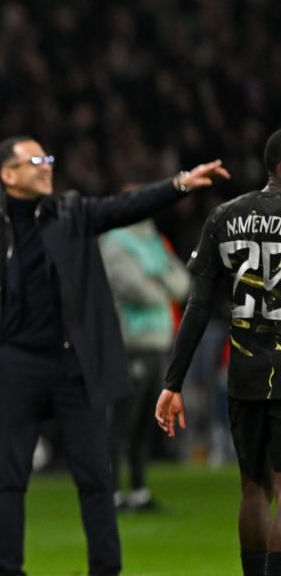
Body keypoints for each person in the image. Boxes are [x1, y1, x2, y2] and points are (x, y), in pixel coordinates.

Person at [0, 135, 228, 576]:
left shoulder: (71, 212)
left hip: (74, 363)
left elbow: (125, 207)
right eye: (35, 160)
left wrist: (179, 184)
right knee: (10, 475)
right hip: (16, 364)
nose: (46, 166)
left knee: (96, 472)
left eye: (48, 158)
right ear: (8, 174)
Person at [157, 128, 281, 576]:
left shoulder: (226, 216)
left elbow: (198, 304)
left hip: (245, 371)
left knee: (253, 488)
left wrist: (173, 381)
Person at [100, 202, 190, 512]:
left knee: (145, 423)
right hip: (130, 343)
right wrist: (162, 284)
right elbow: (136, 290)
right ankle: (111, 492)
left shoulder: (153, 240)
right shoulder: (115, 242)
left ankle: (138, 490)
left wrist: (157, 282)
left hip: (158, 342)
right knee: (121, 422)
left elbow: (183, 284)